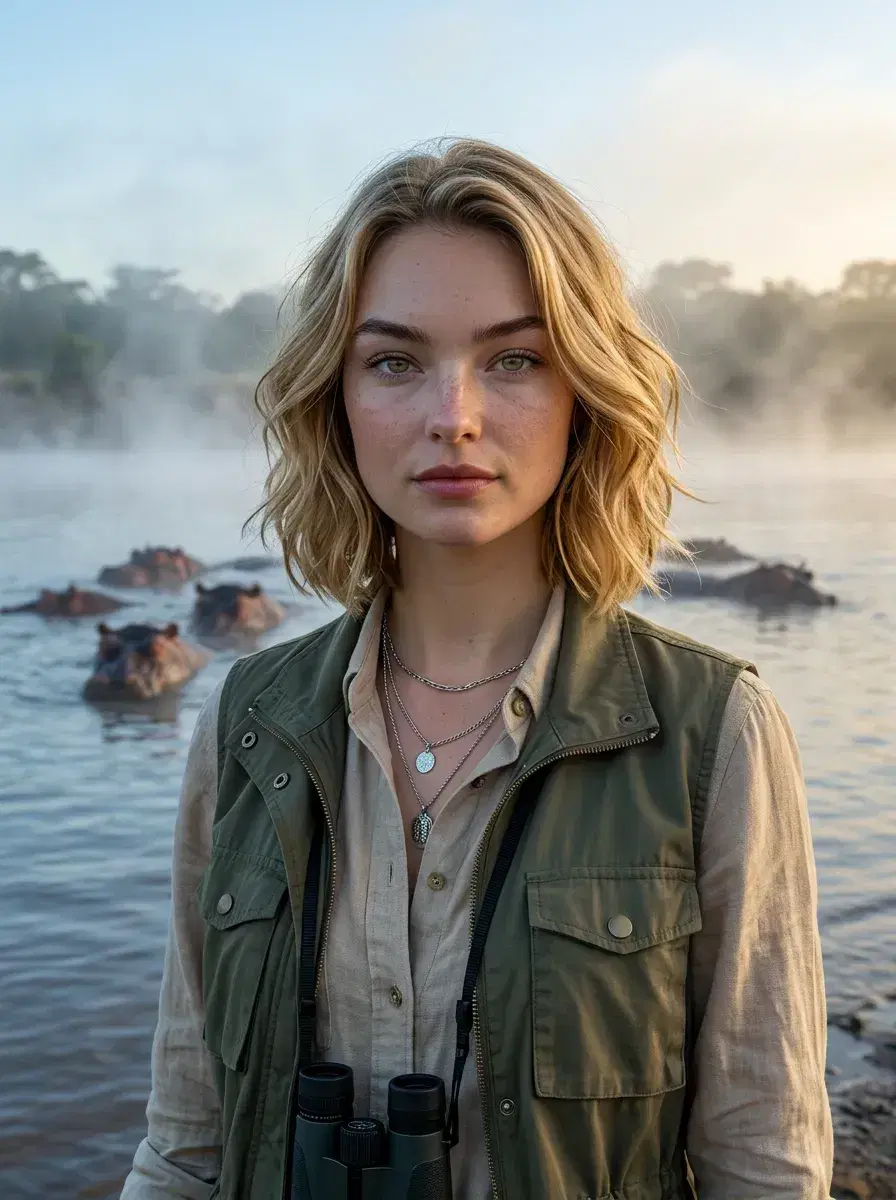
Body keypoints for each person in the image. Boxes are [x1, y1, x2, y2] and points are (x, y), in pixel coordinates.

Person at [120, 138, 833, 1200]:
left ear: (585, 390)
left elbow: (763, 1165)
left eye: (514, 359)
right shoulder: (245, 720)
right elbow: (185, 1145)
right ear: (335, 398)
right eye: (393, 361)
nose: (452, 414)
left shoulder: (709, 729)